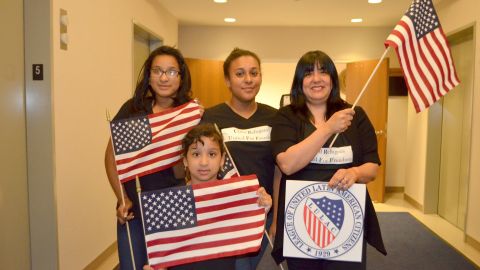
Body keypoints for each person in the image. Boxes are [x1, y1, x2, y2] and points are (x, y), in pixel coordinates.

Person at [270, 50, 387, 270]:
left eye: (323, 72)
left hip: (347, 222)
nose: (316, 79)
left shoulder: (355, 114)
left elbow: (372, 168)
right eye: (308, 73)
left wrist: (354, 173)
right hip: (301, 223)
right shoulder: (286, 117)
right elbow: (287, 164)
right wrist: (328, 128)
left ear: (332, 79)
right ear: (299, 81)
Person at [105, 45, 194, 270]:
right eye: (157, 71)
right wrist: (123, 199)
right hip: (134, 206)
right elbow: (111, 158)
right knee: (133, 265)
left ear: (181, 77)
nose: (164, 78)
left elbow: (197, 166)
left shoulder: (189, 114)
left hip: (175, 206)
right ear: (149, 76)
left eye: (171, 71)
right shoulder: (133, 109)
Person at [144, 123, 272, 270]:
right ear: (185, 160)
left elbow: (246, 235)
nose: (204, 163)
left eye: (212, 154)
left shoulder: (233, 198)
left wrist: (260, 209)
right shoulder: (170, 201)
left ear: (222, 159)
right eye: (196, 154)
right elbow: (163, 253)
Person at [201, 48, 281, 270]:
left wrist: (276, 219)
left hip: (263, 213)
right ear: (227, 80)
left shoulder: (275, 117)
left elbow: (279, 171)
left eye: (254, 73)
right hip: (225, 216)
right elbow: (200, 168)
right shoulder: (210, 117)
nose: (248, 80)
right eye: (239, 74)